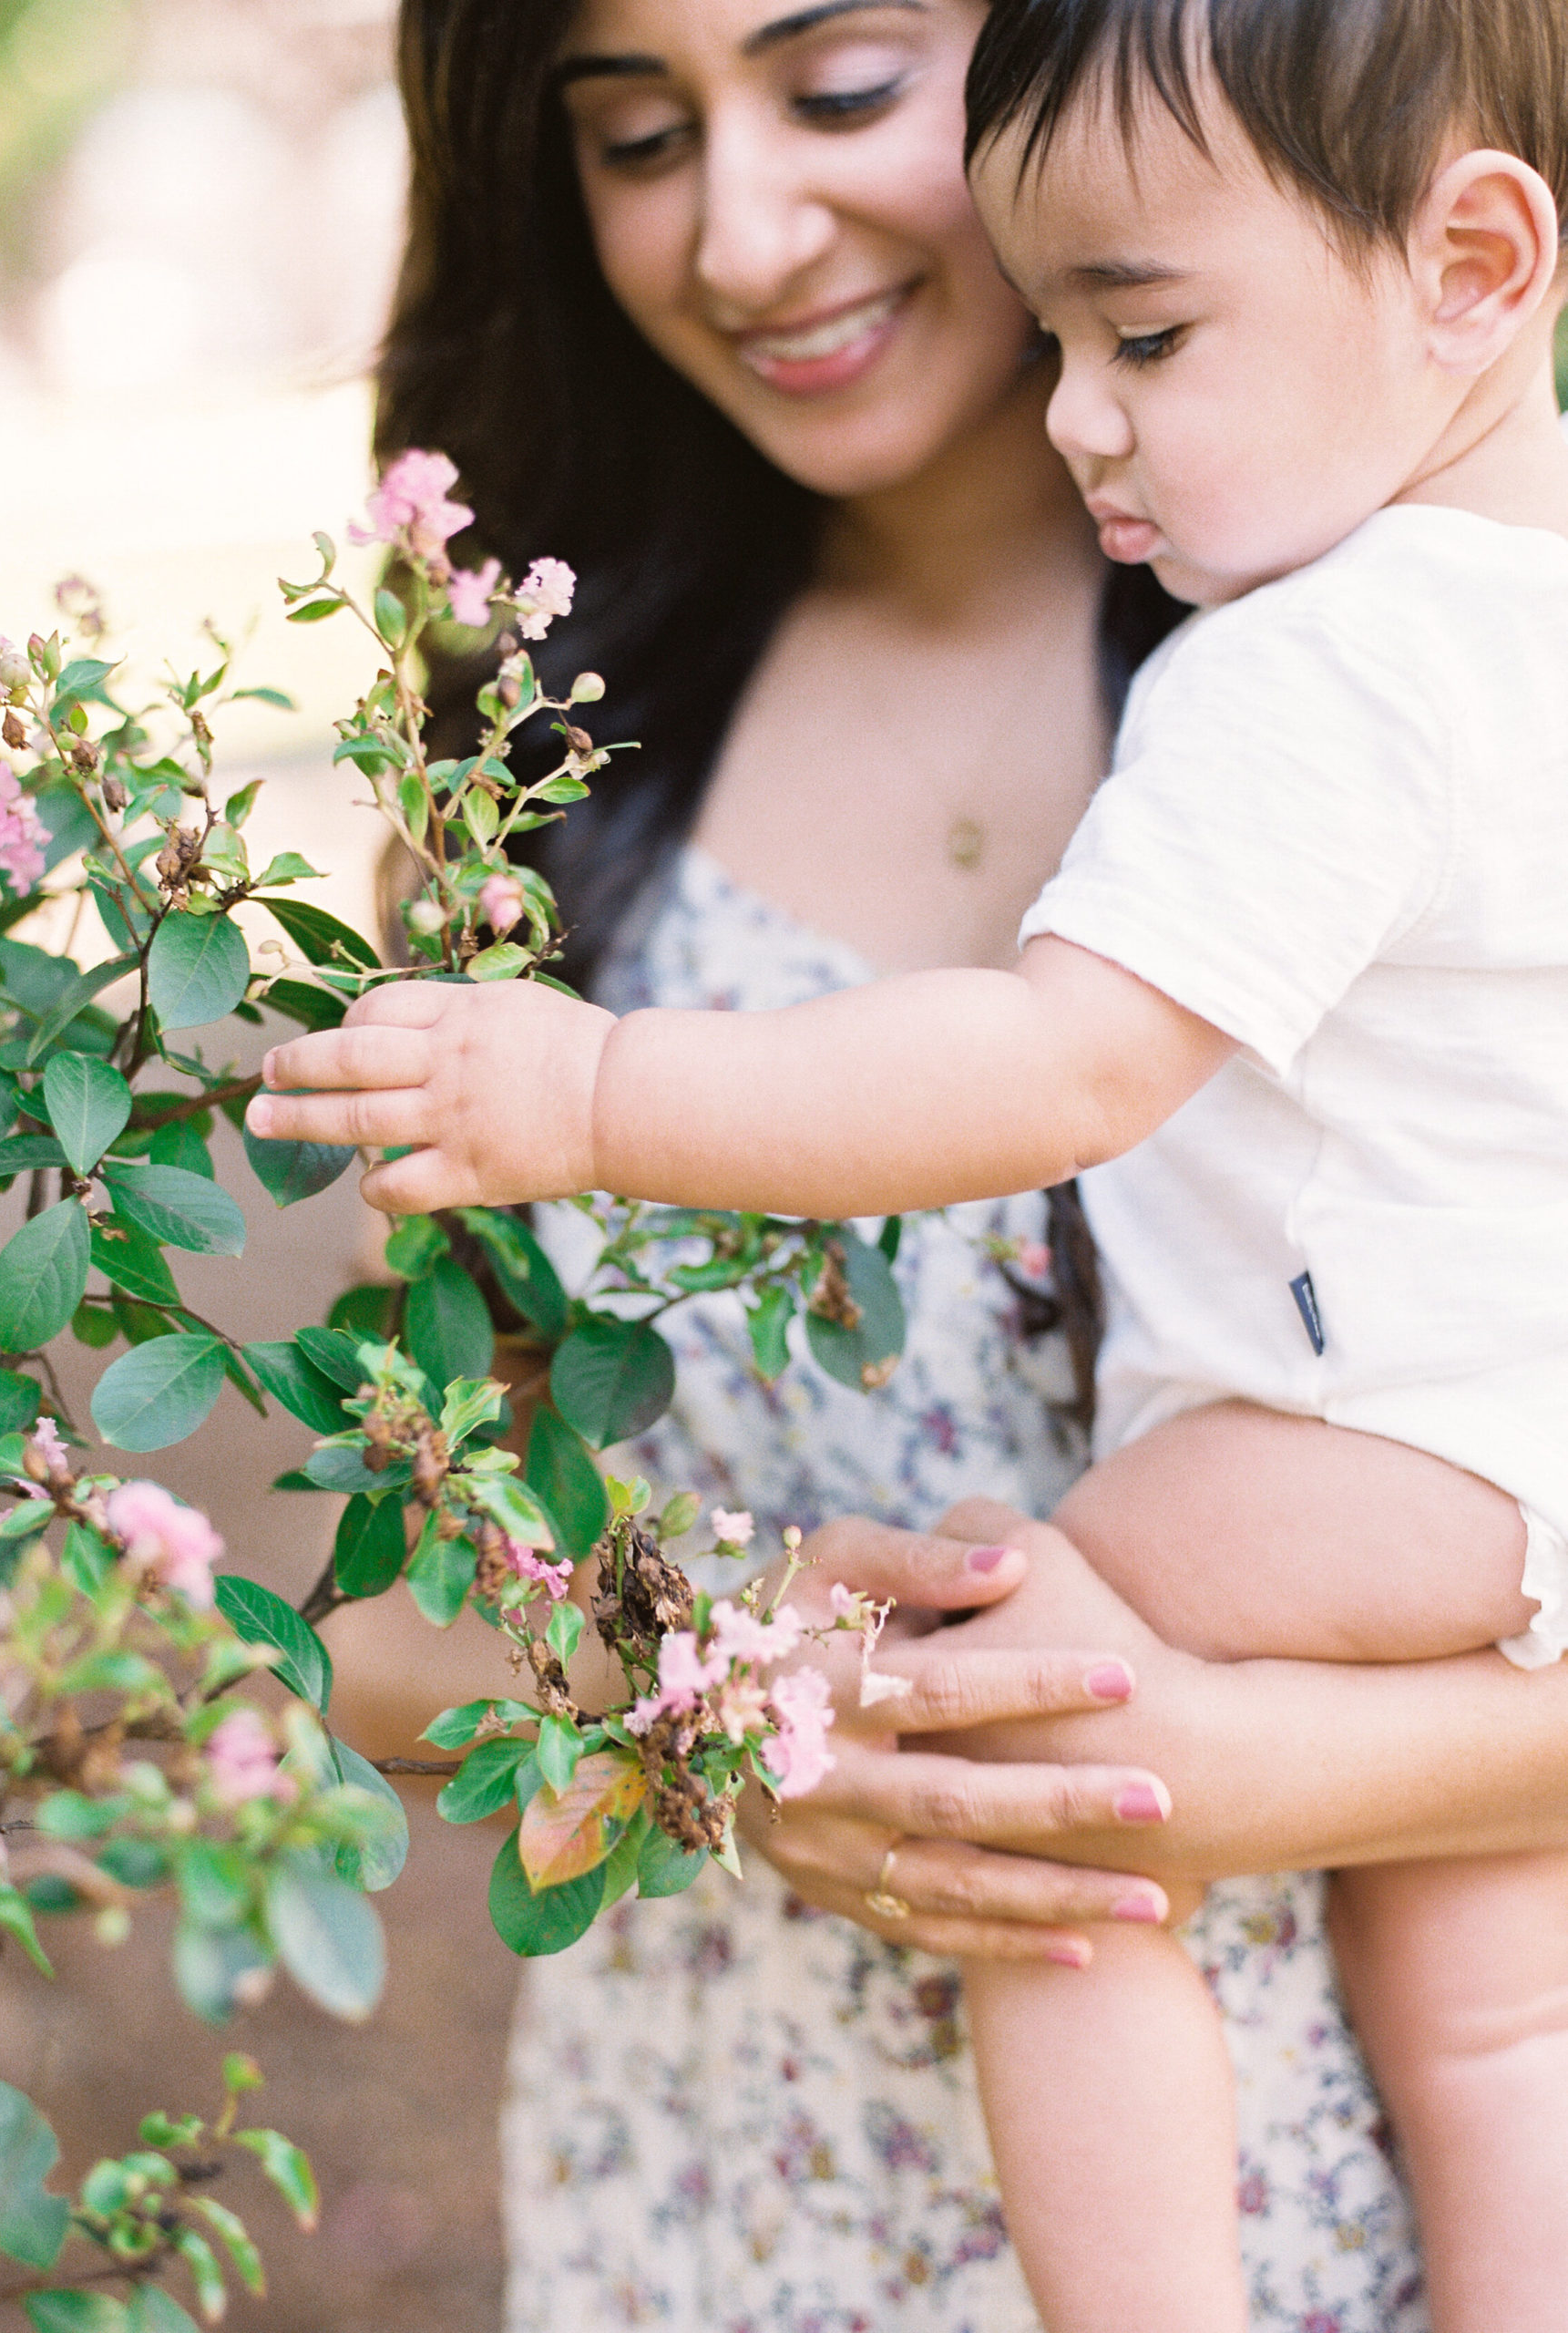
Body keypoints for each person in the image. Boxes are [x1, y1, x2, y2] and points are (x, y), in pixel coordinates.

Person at [300, 4, 1568, 2325]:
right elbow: (386, 1595)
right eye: (634, 134)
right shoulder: (545, 774)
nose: (743, 228)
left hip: (1322, 2178)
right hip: (736, 2173)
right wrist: (712, 1696)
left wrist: (1217, 1768)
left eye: (844, 88)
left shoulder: (1342, 661)